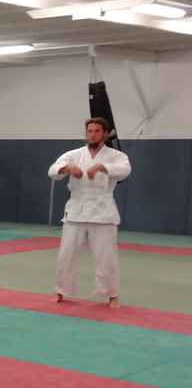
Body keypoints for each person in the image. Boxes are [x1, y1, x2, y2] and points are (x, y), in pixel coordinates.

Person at [47, 117, 132, 308]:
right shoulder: (74, 155)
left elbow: (125, 170)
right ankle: (60, 290)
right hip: (76, 210)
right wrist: (67, 168)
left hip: (103, 210)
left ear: (105, 134)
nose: (92, 135)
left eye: (96, 131)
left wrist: (103, 167)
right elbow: (52, 171)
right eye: (89, 131)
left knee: (106, 256)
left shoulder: (116, 156)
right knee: (66, 254)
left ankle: (112, 294)